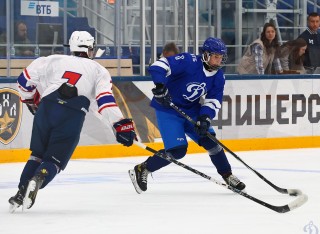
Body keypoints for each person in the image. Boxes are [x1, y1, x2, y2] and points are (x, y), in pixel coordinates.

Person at [8, 31, 137, 212]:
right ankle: (39, 178)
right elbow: (105, 100)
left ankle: (20, 194)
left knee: (37, 154)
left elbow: (23, 82)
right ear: (91, 48)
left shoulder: (52, 59)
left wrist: (30, 100)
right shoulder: (99, 71)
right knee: (54, 160)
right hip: (72, 114)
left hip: (46, 107)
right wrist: (119, 124)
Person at [128, 37, 246, 194]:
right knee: (178, 151)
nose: (218, 61)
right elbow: (159, 65)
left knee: (211, 142)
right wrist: (160, 85)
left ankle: (227, 175)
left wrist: (205, 118)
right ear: (205, 54)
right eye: (215, 56)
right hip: (168, 109)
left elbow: (213, 100)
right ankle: (143, 168)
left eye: (220, 57)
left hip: (192, 109)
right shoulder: (188, 61)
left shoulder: (218, 76)